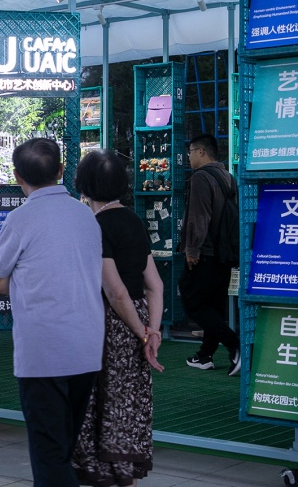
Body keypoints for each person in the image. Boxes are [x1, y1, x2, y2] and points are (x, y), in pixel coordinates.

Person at [0, 138, 104, 487]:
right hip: (86, 346)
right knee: (64, 441)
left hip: (42, 349)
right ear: (62, 170)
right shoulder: (85, 214)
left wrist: (6, 280)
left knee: (49, 449)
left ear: (16, 176)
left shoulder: (19, 219)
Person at [71, 150, 165, 487]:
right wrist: (152, 331)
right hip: (137, 320)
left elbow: (115, 292)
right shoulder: (133, 220)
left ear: (84, 185)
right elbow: (154, 285)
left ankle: (107, 476)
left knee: (102, 402)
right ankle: (128, 476)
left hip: (108, 325)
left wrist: (142, 333)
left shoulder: (96, 226)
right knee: (128, 403)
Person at [179, 133, 241, 375]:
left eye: (190, 152)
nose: (189, 157)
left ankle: (236, 345)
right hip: (224, 253)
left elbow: (199, 216)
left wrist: (192, 249)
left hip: (204, 253)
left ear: (201, 152)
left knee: (192, 301)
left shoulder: (201, 177)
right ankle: (205, 355)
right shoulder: (228, 177)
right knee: (213, 305)